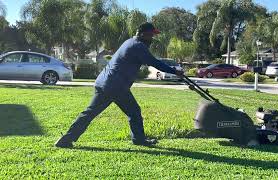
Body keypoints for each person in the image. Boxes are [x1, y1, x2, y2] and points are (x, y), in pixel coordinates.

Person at [55, 22, 184, 148]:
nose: (152, 39)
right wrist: (174, 71)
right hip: (115, 86)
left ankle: (66, 139)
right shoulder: (138, 46)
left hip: (104, 82)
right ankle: (139, 139)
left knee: (91, 113)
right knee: (133, 112)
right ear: (144, 34)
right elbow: (154, 62)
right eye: (151, 35)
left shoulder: (129, 42)